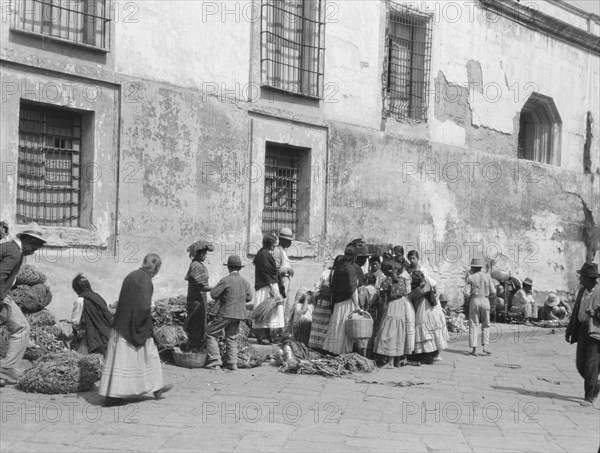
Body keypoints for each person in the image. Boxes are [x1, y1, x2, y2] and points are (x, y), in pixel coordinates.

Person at [99, 254, 172, 404]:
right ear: (155, 267)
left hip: (122, 322)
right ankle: (113, 396)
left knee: (127, 358)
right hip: (135, 323)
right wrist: (146, 323)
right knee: (147, 354)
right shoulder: (145, 280)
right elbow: (143, 305)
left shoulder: (131, 276)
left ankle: (156, 388)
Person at [0, 222, 47, 386]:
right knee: (22, 327)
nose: (35, 250)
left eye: (39, 246)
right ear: (26, 240)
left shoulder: (8, 248)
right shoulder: (14, 253)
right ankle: (4, 370)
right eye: (34, 245)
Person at [205, 255, 254, 371]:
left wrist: (225, 296)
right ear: (240, 268)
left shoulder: (225, 280)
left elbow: (213, 294)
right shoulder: (245, 282)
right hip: (239, 314)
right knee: (232, 337)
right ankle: (233, 363)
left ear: (229, 268)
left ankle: (215, 360)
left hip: (226, 312)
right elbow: (249, 297)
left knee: (210, 333)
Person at [565, 262, 600, 406]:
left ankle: (589, 396)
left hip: (596, 333)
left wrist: (596, 313)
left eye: (582, 277)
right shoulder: (581, 291)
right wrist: (569, 330)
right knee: (580, 364)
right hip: (582, 330)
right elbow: (575, 313)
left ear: (590, 279)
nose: (580, 280)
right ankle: (595, 385)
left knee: (591, 365)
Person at [374, 261, 415, 368]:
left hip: (392, 306)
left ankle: (390, 362)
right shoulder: (402, 279)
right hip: (402, 305)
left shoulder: (387, 280)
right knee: (398, 332)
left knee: (389, 332)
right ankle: (396, 360)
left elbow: (383, 296)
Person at [322, 255, 359, 355]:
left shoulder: (339, 270)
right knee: (344, 327)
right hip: (348, 303)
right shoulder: (350, 270)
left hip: (338, 303)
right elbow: (352, 289)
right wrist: (357, 305)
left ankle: (334, 350)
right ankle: (343, 351)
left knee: (337, 325)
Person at [70, 274, 113, 355]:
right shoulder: (97, 297)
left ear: (77, 289)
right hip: (107, 334)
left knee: (85, 360)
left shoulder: (80, 300)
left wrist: (80, 329)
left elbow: (75, 322)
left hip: (93, 337)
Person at [253, 234, 284, 344]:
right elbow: (267, 274)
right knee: (264, 312)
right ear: (270, 244)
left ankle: (267, 336)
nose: (275, 246)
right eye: (274, 244)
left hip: (266, 286)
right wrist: (274, 290)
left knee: (269, 314)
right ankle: (260, 336)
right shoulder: (264, 255)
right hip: (266, 287)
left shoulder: (263, 253)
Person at [183, 240, 214, 352]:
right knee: (197, 325)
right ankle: (195, 348)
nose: (205, 256)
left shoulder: (196, 265)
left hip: (197, 300)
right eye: (203, 253)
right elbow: (202, 287)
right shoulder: (197, 266)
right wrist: (218, 288)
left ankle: (195, 347)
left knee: (198, 324)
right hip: (197, 301)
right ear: (197, 254)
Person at [464, 258, 496, 356]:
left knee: (474, 324)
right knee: (486, 324)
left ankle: (474, 349)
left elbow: (466, 293)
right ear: (481, 267)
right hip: (485, 301)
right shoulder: (487, 276)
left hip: (475, 300)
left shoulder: (470, 277)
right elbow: (493, 291)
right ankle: (485, 346)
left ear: (472, 267)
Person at [273, 228, 294, 337]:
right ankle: (278, 332)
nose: (290, 243)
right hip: (281, 282)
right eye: (288, 240)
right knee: (280, 307)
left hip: (286, 281)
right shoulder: (277, 251)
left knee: (286, 307)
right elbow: (276, 269)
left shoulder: (284, 251)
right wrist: (288, 270)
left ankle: (282, 330)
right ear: (283, 240)